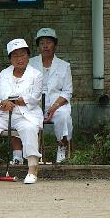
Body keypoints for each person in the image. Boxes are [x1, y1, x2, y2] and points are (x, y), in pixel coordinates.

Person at [0, 38, 43, 184]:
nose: (20, 59)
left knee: (30, 129)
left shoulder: (36, 74)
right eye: (16, 56)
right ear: (10, 58)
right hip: (3, 114)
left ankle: (32, 171)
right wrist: (1, 104)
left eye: (23, 55)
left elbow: (35, 97)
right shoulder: (4, 74)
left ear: (28, 56)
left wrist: (18, 100)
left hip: (26, 114)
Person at [29, 27, 73, 163]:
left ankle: (62, 147)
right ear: (38, 46)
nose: (45, 46)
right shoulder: (30, 63)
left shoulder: (64, 66)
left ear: (55, 44)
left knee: (63, 116)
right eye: (42, 43)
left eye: (49, 42)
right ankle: (29, 151)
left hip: (58, 104)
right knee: (25, 117)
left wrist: (53, 107)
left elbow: (67, 91)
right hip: (35, 103)